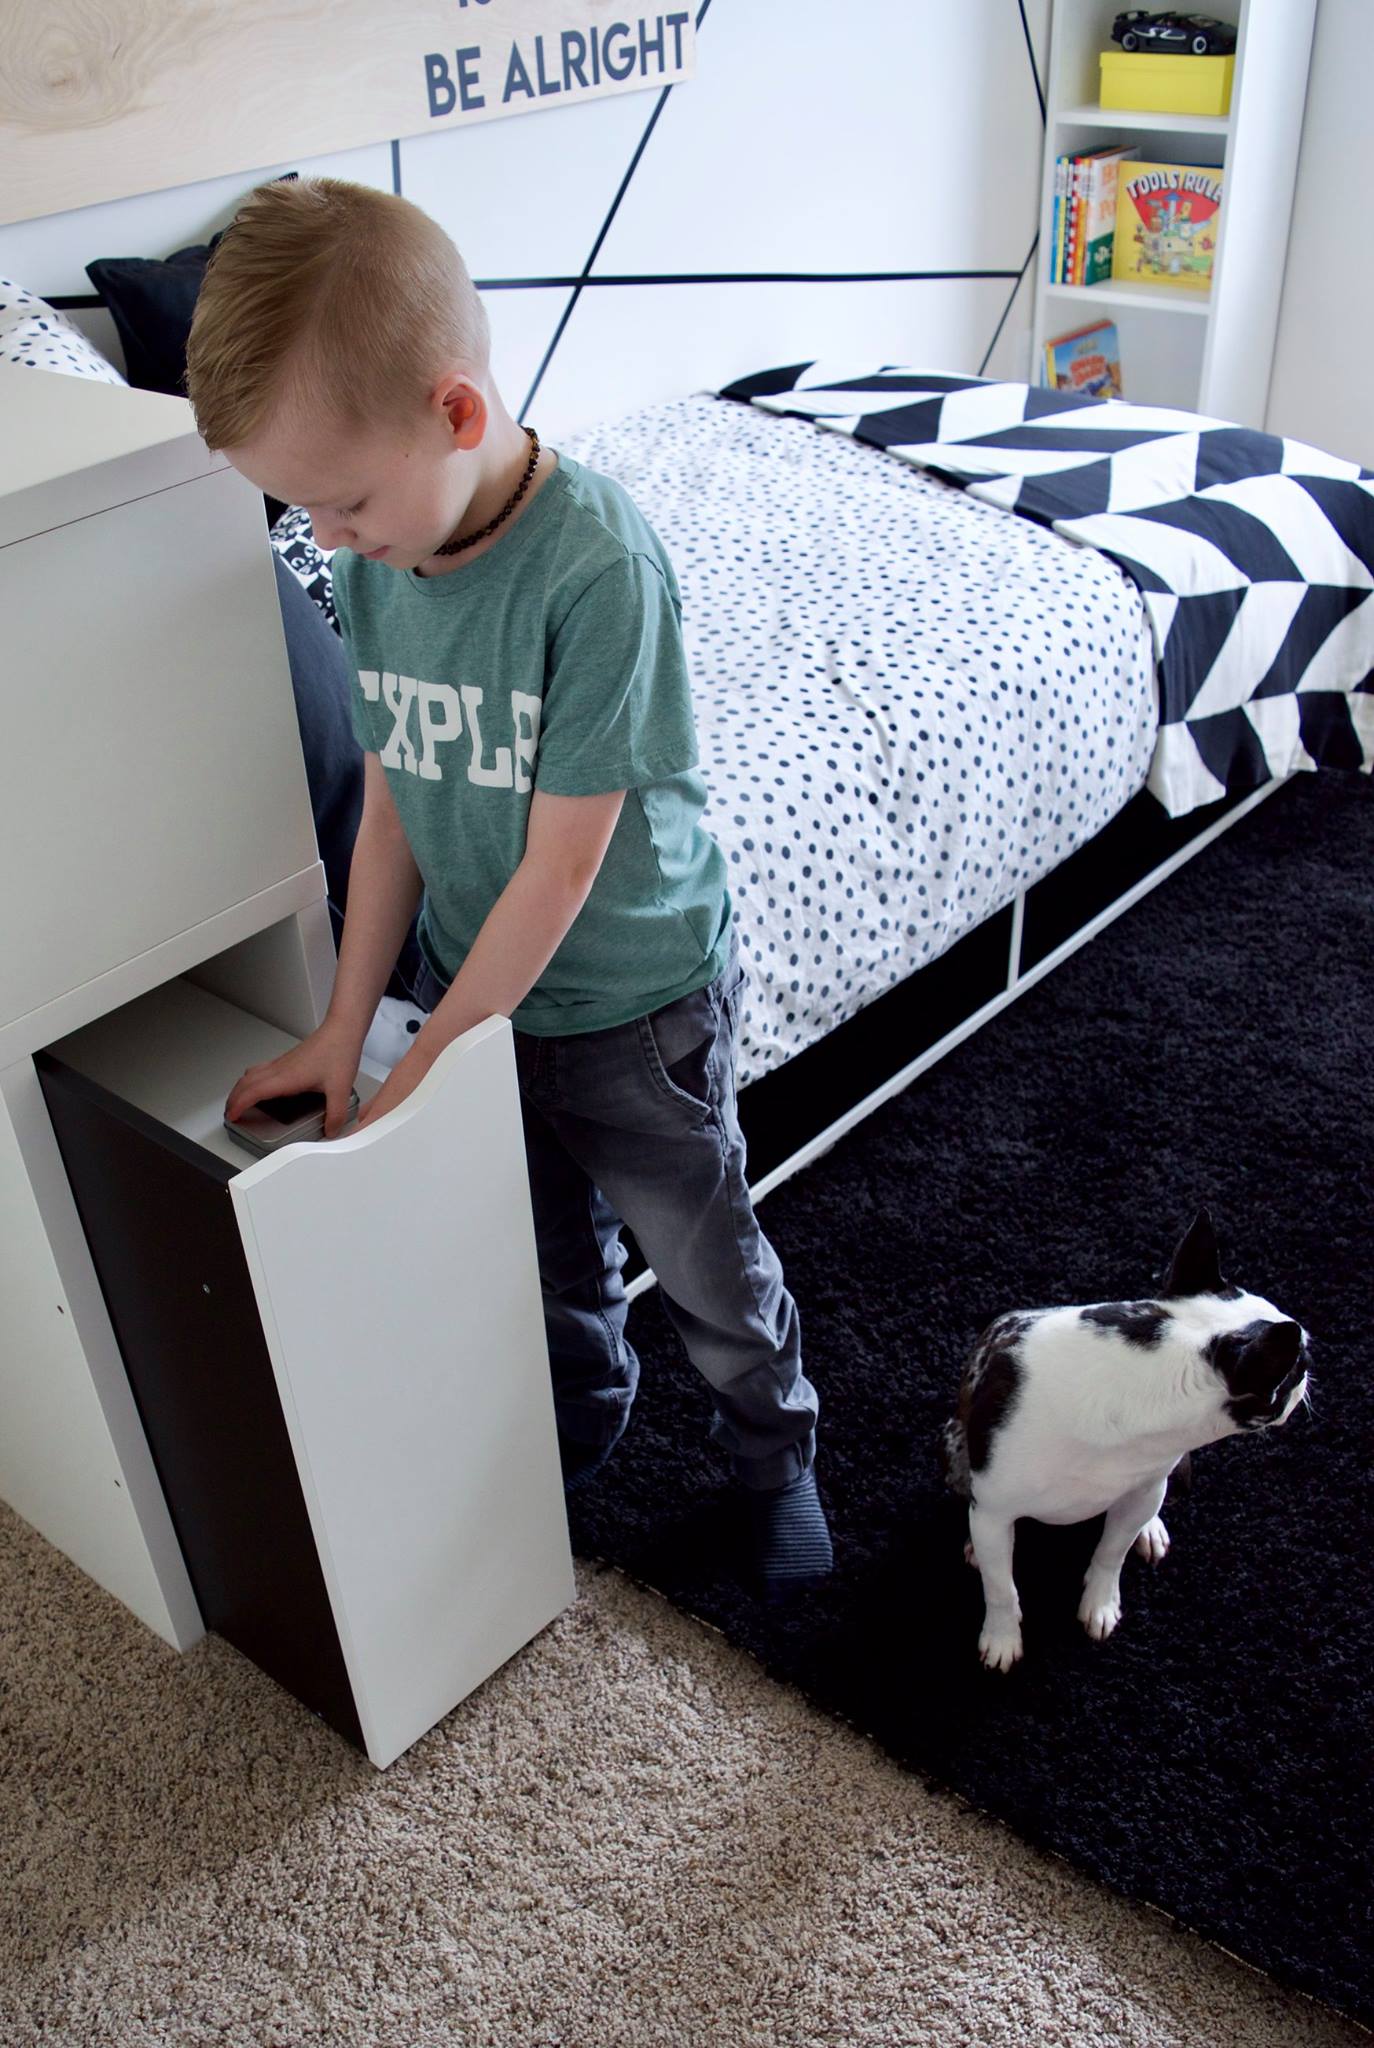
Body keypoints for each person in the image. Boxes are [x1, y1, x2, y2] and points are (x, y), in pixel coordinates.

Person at [187, 175, 831, 1600]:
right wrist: (347, 1032)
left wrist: (422, 1071)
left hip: (633, 1006)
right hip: (487, 997)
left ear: (458, 413)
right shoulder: (378, 561)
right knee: (542, 1252)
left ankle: (771, 1452)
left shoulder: (594, 570)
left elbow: (560, 867)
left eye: (341, 500)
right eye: (304, 511)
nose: (328, 537)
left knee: (704, 1258)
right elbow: (396, 813)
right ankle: (578, 1426)